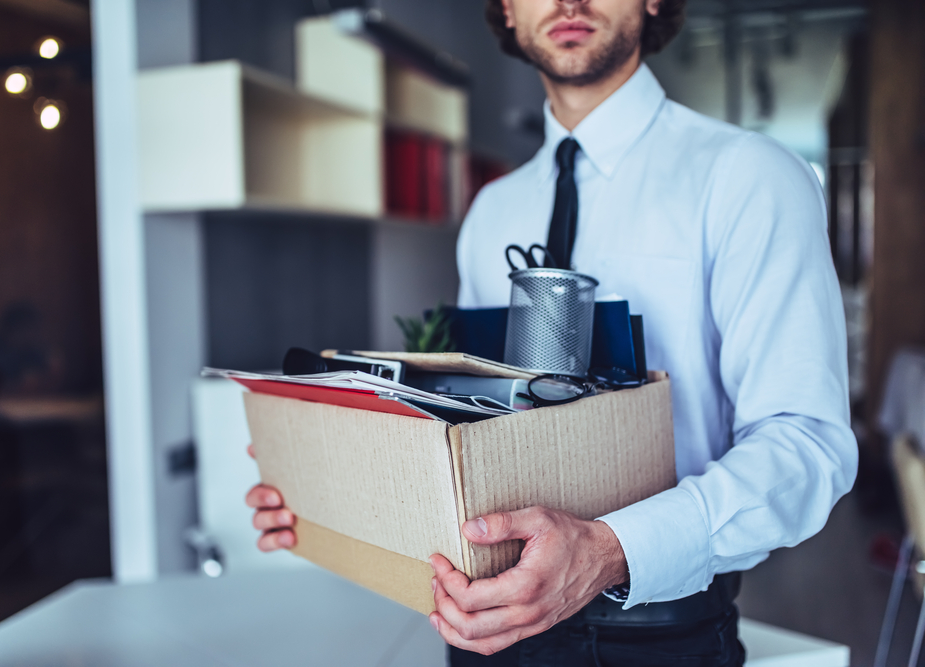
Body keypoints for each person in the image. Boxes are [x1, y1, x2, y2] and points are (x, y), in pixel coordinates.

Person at [245, 0, 858, 664]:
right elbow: (478, 423)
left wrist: (607, 551)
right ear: (507, 10)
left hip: (655, 640)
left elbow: (807, 443)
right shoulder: (491, 211)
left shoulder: (748, 176)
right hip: (487, 632)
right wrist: (331, 494)